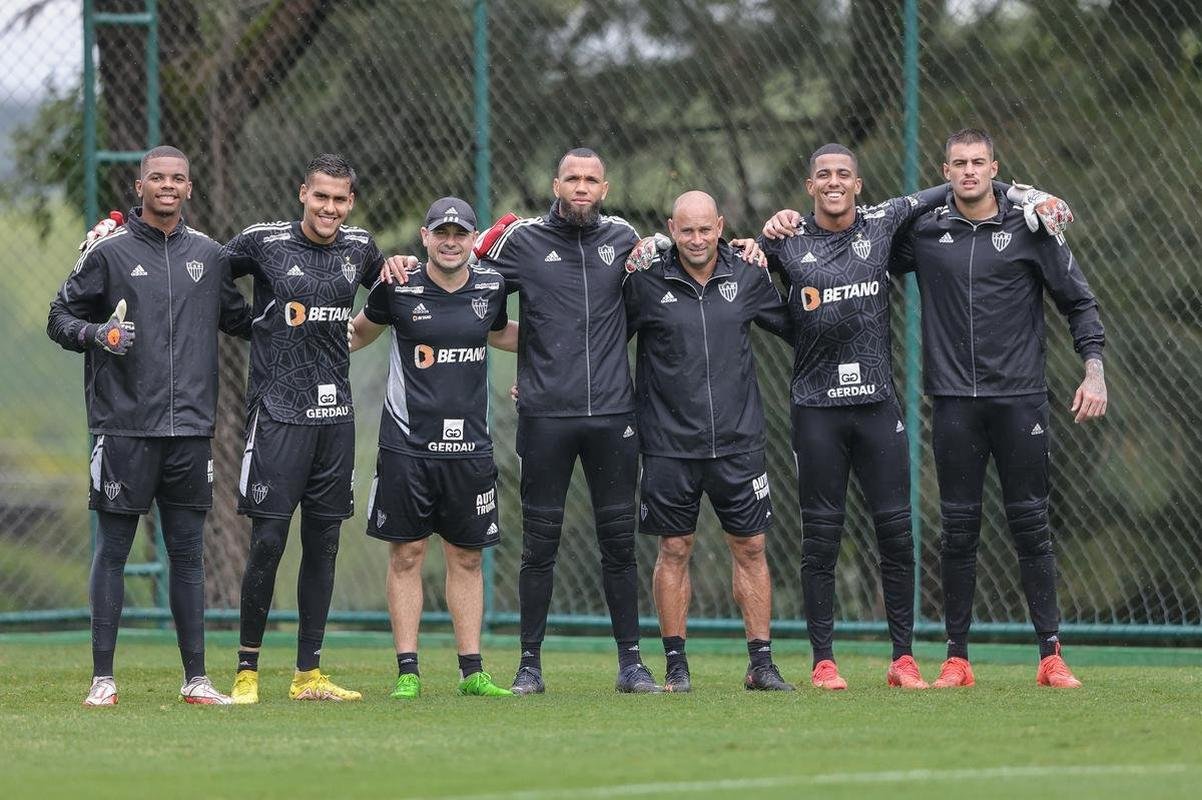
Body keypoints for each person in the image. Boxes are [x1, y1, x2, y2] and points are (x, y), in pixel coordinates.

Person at [759, 144, 1071, 690]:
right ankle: (823, 662)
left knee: (898, 536)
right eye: (823, 176)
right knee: (821, 539)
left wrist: (1025, 192)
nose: (834, 182)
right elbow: (756, 288)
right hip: (816, 409)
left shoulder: (884, 223)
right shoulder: (787, 241)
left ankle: (903, 659)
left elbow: (956, 188)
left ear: (859, 184)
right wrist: (765, 232)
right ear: (810, 186)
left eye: (844, 175)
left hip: (879, 405)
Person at [889, 128, 1105, 689]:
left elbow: (1078, 302)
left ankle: (1050, 656)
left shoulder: (1032, 228)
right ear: (945, 171)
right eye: (957, 163)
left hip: (1021, 400)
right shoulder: (926, 235)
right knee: (957, 531)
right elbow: (863, 244)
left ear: (994, 168)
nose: (967, 172)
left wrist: (1094, 370)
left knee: (1031, 524)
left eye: (978, 163)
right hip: (954, 402)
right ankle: (957, 659)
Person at [47, 145, 251, 706]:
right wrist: (99, 337)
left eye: (177, 178)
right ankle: (103, 680)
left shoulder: (209, 256)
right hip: (123, 426)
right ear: (139, 188)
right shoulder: (107, 253)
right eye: (156, 177)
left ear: (190, 188)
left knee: (187, 552)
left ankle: (196, 680)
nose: (167, 185)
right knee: (113, 548)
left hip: (189, 430)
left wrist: (298, 313)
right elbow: (59, 317)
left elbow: (240, 320)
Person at [225, 153, 384, 703]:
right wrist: (250, 324)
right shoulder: (263, 242)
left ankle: (308, 675)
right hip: (277, 414)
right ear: (303, 194)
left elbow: (385, 296)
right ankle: (247, 671)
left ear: (351, 202)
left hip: (334, 418)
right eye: (322, 197)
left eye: (341, 199)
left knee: (325, 542)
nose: (330, 209)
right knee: (268, 540)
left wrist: (397, 274)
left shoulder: (360, 248)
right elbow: (210, 276)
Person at [623, 191, 794, 692]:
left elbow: (796, 326)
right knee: (674, 548)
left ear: (720, 226)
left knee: (751, 545)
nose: (697, 240)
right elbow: (604, 341)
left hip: (740, 442)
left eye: (705, 229)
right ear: (671, 230)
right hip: (668, 444)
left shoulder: (746, 273)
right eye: (686, 230)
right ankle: (676, 665)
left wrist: (778, 261)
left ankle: (761, 664)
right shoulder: (646, 281)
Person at [349, 197, 518, 699]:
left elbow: (502, 334)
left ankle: (472, 672)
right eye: (441, 233)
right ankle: (408, 672)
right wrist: (302, 344)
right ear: (424, 237)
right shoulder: (398, 285)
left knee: (466, 558)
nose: (450, 241)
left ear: (471, 239)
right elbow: (359, 333)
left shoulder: (491, 285)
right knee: (407, 554)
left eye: (460, 234)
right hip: (407, 446)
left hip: (471, 449)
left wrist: (569, 346)